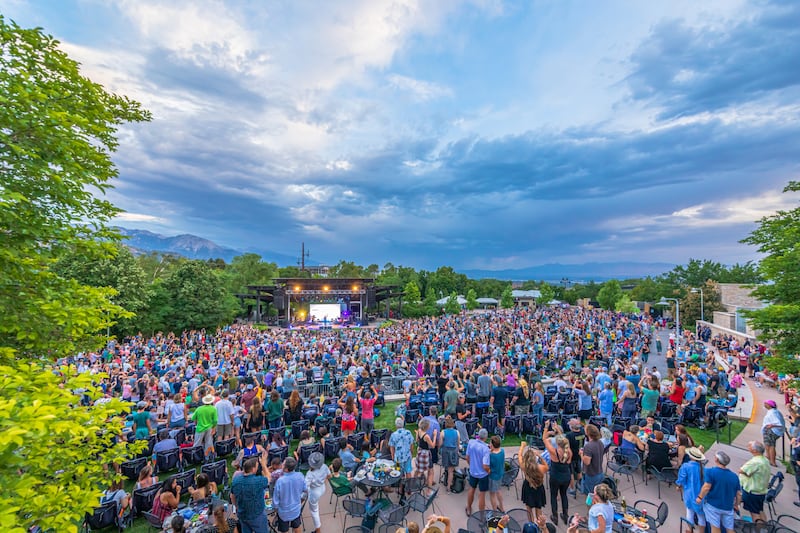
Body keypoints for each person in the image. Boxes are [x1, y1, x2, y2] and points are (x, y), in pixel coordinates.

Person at [696, 451, 742, 533]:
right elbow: (738, 494)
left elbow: (706, 487)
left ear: (716, 459)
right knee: (730, 529)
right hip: (728, 507)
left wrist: (700, 497)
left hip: (713, 505)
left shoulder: (711, 472)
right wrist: (736, 505)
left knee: (715, 528)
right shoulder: (734, 476)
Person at [544, 419, 572, 526]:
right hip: (566, 476)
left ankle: (554, 516)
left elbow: (544, 439)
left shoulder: (554, 452)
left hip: (555, 476)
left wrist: (547, 427)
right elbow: (564, 441)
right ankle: (565, 515)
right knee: (564, 495)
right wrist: (558, 431)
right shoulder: (568, 451)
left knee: (553, 495)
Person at [231, 457, 270, 533]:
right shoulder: (258, 481)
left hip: (242, 514)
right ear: (253, 469)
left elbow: (232, 496)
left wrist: (236, 506)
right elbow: (269, 477)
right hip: (257, 515)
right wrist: (264, 465)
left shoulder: (236, 480)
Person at [737, 441, 771, 523]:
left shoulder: (755, 462)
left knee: (755, 514)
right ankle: (765, 527)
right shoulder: (765, 460)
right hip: (761, 491)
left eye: (750, 446)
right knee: (760, 510)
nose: (748, 447)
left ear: (755, 451)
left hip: (752, 492)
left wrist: (746, 473)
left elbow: (741, 470)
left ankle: (758, 529)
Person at [677, 447, 707, 533]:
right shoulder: (703, 468)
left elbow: (681, 478)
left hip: (689, 493)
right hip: (700, 495)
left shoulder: (686, 466)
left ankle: (689, 530)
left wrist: (678, 486)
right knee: (701, 515)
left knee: (689, 512)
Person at [273, 457, 306, 533]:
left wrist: (276, 511)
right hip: (296, 510)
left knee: (284, 530)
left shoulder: (280, 481)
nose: (282, 465)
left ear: (286, 469)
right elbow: (305, 490)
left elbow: (276, 501)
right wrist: (300, 501)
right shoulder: (300, 475)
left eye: (283, 464)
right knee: (297, 526)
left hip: (283, 513)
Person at [519, 440, 548, 523]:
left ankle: (531, 525)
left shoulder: (524, 466)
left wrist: (522, 446)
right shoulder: (541, 468)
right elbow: (547, 466)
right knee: (538, 508)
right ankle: (540, 525)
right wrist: (540, 456)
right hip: (539, 487)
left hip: (528, 487)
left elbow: (520, 456)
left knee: (528, 508)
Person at [466, 428, 491, 515]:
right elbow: (485, 465)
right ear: (486, 437)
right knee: (482, 494)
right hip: (483, 474)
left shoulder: (471, 442)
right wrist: (489, 471)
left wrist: (472, 465)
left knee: (471, 489)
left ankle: (468, 508)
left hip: (473, 472)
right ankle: (481, 515)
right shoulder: (485, 449)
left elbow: (467, 457)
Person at [305, 452, 330, 533]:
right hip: (322, 488)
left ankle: (318, 530)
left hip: (315, 492)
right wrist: (322, 481)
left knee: (314, 511)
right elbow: (329, 476)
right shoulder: (325, 466)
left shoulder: (310, 474)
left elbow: (305, 487)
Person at [579, 424, 605, 496]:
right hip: (599, 472)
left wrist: (581, 453)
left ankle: (591, 506)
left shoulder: (589, 446)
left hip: (591, 475)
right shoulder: (600, 442)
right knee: (598, 493)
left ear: (588, 433)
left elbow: (587, 462)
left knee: (591, 495)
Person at [192, 394, 218, 458]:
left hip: (200, 427)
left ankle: (195, 457)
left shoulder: (199, 409)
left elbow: (193, 418)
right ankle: (207, 456)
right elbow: (215, 420)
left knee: (197, 443)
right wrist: (214, 427)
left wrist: (196, 423)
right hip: (209, 427)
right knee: (208, 442)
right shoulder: (213, 409)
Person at [762, 400, 784, 467]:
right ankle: (768, 458)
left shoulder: (773, 413)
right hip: (772, 431)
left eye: (765, 404)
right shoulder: (775, 411)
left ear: (769, 405)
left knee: (771, 445)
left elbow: (778, 423)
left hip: (771, 431)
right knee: (767, 444)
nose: (764, 405)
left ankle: (772, 461)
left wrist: (772, 425)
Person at [440, 417, 460, 491]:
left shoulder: (443, 432)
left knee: (447, 467)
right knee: (451, 470)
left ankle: (446, 480)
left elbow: (440, 444)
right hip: (454, 451)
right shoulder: (457, 432)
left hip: (446, 452)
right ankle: (448, 486)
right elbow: (458, 444)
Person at [415, 417, 436, 487]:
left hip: (420, 452)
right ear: (427, 426)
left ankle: (413, 482)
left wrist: (416, 434)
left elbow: (417, 440)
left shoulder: (419, 430)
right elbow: (432, 446)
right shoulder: (426, 436)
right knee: (431, 471)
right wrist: (435, 435)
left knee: (418, 469)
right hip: (425, 454)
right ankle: (429, 489)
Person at [488, 435, 506, 513]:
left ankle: (494, 510)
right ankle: (502, 507)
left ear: (492, 444)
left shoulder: (491, 455)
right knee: (499, 490)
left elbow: (488, 466)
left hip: (493, 476)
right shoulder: (502, 451)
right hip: (500, 474)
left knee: (492, 494)